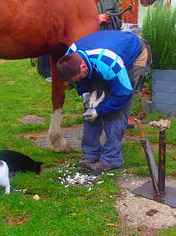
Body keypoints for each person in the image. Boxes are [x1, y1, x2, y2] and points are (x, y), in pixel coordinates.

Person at [56, 30, 151, 174]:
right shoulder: (71, 57)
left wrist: (99, 111)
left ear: (82, 67)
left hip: (135, 53)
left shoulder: (108, 62)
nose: (77, 81)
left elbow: (123, 93)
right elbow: (82, 81)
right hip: (100, 58)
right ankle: (91, 153)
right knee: (90, 109)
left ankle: (112, 159)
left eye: (78, 78)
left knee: (116, 111)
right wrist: (87, 97)